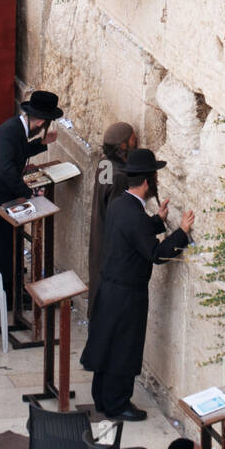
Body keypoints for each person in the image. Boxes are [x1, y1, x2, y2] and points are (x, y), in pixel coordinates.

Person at [81, 148, 194, 422]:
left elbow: (135, 232)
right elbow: (155, 254)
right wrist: (182, 232)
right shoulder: (133, 213)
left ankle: (103, 399)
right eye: (154, 177)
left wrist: (158, 220)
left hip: (110, 289)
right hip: (126, 294)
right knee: (124, 348)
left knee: (108, 345)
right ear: (147, 182)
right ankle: (118, 404)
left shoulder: (122, 204)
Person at [0, 90, 62, 301]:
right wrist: (29, 193)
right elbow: (7, 169)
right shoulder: (11, 131)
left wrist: (41, 144)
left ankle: (8, 293)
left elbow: (19, 152)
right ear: (41, 123)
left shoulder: (16, 129)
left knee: (3, 248)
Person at [87, 120, 137, 316]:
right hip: (108, 241)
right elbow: (117, 213)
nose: (137, 142)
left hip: (99, 233)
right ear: (123, 145)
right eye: (133, 140)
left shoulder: (105, 163)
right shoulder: (119, 177)